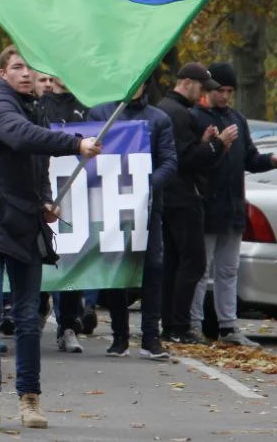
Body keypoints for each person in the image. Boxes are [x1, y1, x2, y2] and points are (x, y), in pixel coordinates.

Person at [0, 46, 101, 428]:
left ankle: (29, 399)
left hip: (25, 224)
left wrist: (45, 201)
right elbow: (22, 138)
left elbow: (36, 166)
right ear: (4, 73)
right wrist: (74, 144)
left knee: (28, 316)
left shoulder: (36, 107)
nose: (26, 74)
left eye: (32, 68)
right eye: (18, 67)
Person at [190, 63, 277, 346]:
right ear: (209, 90)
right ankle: (194, 324)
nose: (225, 96)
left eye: (230, 91)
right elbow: (196, 159)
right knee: (201, 269)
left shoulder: (237, 119)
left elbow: (249, 158)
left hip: (233, 206)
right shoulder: (196, 117)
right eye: (221, 90)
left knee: (228, 270)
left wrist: (270, 161)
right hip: (207, 204)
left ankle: (228, 325)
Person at [87, 81, 178, 361]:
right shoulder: (100, 114)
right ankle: (119, 337)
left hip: (148, 206)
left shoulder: (158, 118)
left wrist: (146, 186)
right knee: (116, 268)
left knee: (152, 267)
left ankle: (151, 337)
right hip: (111, 205)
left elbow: (170, 162)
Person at [156, 62, 232, 344]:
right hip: (182, 197)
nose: (202, 94)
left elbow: (182, 151)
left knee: (174, 263)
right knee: (194, 261)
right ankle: (178, 325)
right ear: (187, 82)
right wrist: (217, 144)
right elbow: (186, 159)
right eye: (201, 87)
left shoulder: (165, 108)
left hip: (170, 196)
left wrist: (203, 143)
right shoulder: (178, 113)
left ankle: (170, 324)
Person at [35, 78, 91, 354]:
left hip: (76, 193)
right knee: (42, 255)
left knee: (71, 260)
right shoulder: (39, 104)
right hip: (44, 188)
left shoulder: (86, 104)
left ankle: (69, 325)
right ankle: (37, 310)